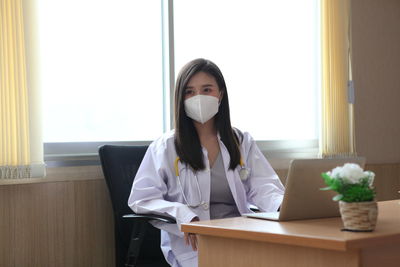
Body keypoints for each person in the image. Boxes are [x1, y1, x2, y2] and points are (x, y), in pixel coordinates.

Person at [128, 58, 284, 267]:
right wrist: (182, 214)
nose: (198, 98)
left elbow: (263, 186)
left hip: (240, 237)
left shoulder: (240, 141)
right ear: (181, 99)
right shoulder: (165, 146)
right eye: (189, 92)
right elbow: (142, 199)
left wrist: (282, 205)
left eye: (207, 89)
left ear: (220, 94)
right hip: (194, 245)